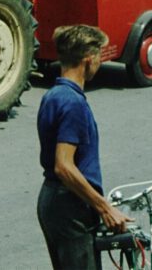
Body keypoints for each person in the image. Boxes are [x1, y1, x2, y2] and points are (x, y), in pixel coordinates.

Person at [36, 24, 131, 269]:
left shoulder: (53, 95)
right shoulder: (73, 104)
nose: (100, 62)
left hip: (53, 201)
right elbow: (64, 166)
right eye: (99, 56)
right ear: (88, 60)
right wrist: (104, 207)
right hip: (70, 205)